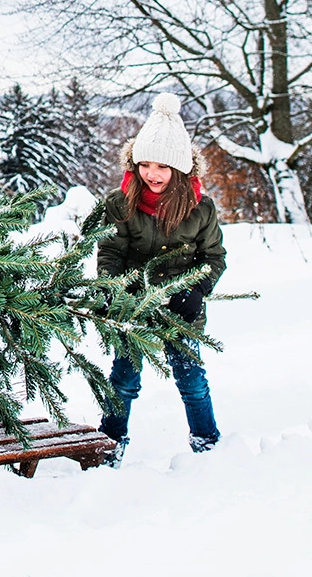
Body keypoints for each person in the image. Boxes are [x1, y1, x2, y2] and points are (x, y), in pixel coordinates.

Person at [95, 91, 227, 460]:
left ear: (181, 170)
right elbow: (111, 250)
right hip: (134, 305)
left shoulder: (201, 208)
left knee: (191, 378)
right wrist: (114, 289)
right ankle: (110, 442)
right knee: (123, 378)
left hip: (182, 307)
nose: (152, 174)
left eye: (163, 167)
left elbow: (214, 256)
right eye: (146, 164)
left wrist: (197, 291)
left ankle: (206, 440)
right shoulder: (121, 203)